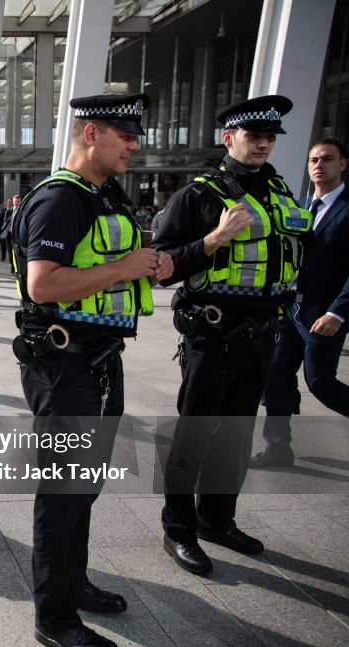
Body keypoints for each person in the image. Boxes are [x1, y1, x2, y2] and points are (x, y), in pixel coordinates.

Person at [13, 93, 168, 647]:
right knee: (61, 492)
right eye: (125, 135)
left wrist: (154, 262)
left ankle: (74, 585)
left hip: (99, 362)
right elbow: (43, 285)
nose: (135, 145)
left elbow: (115, 264)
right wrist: (124, 268)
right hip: (64, 366)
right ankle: (54, 617)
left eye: (137, 136)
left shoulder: (105, 196)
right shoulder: (59, 200)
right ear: (91, 134)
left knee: (85, 485)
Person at [153, 95, 312, 574]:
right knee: (194, 436)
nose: (263, 142)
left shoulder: (281, 191)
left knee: (237, 436)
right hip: (212, 336)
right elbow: (162, 267)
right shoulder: (198, 195)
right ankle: (178, 530)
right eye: (253, 135)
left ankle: (217, 519)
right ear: (229, 138)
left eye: (270, 137)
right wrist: (215, 239)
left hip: (264, 335)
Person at [255, 137, 349, 468]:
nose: (319, 165)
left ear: (343, 164)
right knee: (276, 376)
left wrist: (337, 311)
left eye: (327, 159)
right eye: (313, 160)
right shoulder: (300, 208)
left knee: (320, 382)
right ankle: (278, 449)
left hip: (324, 312)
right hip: (289, 310)